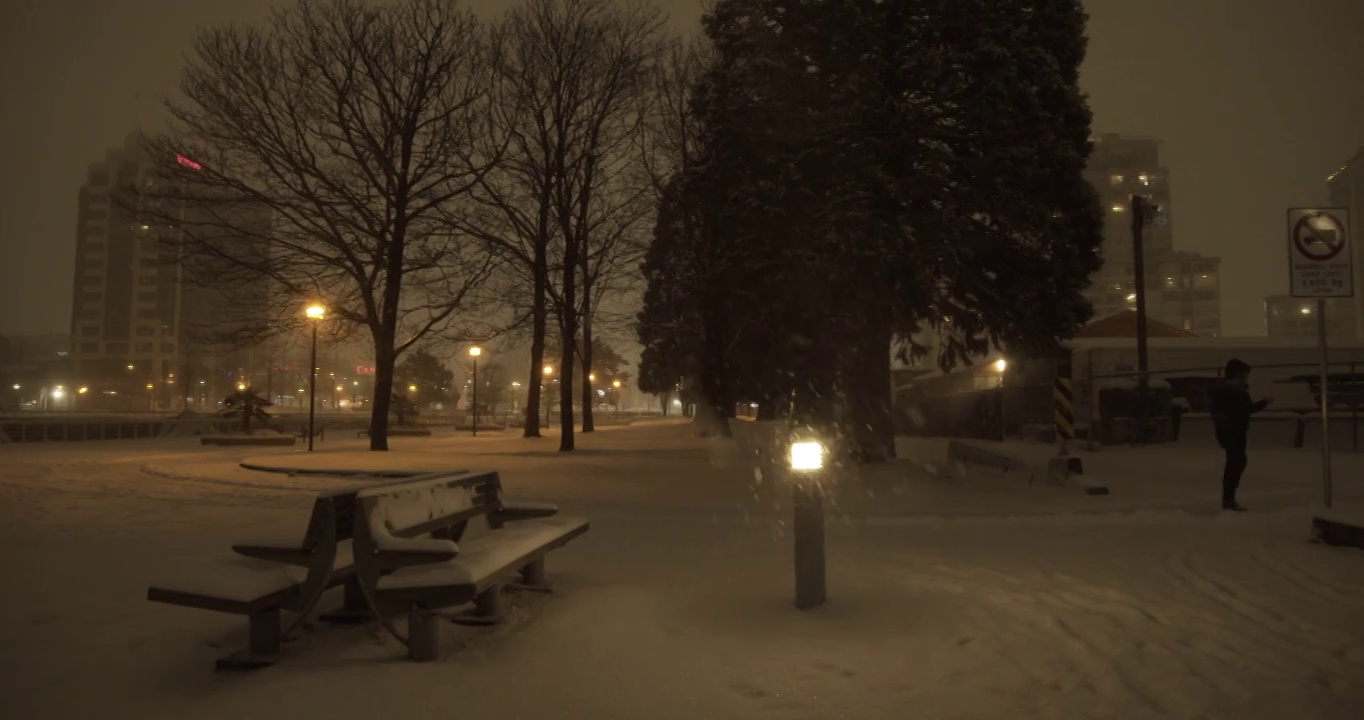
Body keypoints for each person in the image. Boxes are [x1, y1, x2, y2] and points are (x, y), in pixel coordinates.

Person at [1209, 359, 1270, 511]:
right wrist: (1264, 403)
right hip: (1234, 430)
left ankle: (1228, 498)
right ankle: (1229, 499)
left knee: (1235, 462)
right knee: (1236, 462)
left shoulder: (1221, 389)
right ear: (1238, 374)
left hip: (1225, 430)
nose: (1246, 378)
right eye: (1244, 374)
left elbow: (1215, 409)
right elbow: (1246, 409)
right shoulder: (1236, 390)